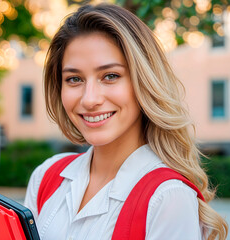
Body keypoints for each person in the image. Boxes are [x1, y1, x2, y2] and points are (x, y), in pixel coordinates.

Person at [24, 3, 228, 240]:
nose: (89, 99)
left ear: (144, 82)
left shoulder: (167, 197)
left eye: (110, 76)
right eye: (74, 79)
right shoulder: (46, 176)